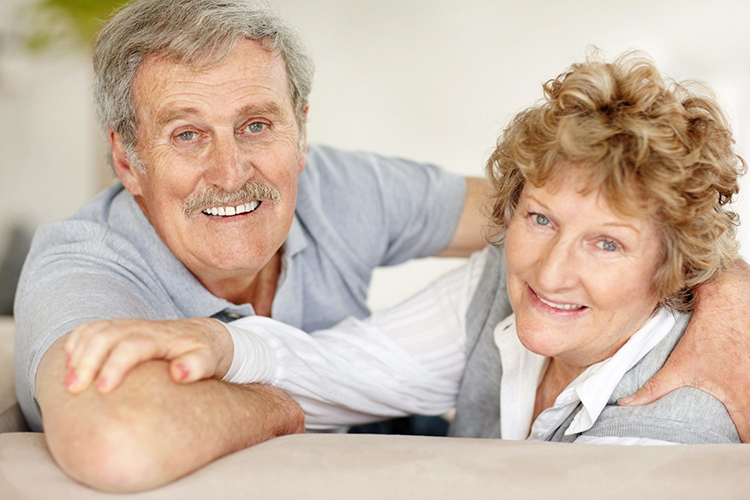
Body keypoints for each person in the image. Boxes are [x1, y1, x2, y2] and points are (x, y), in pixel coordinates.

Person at [14, 0, 750, 491]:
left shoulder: (337, 186)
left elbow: (582, 200)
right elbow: (120, 440)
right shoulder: (85, 264)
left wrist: (727, 294)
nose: (231, 170)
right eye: (186, 134)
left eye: (258, 125)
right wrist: (288, 402)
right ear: (125, 158)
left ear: (302, 129)